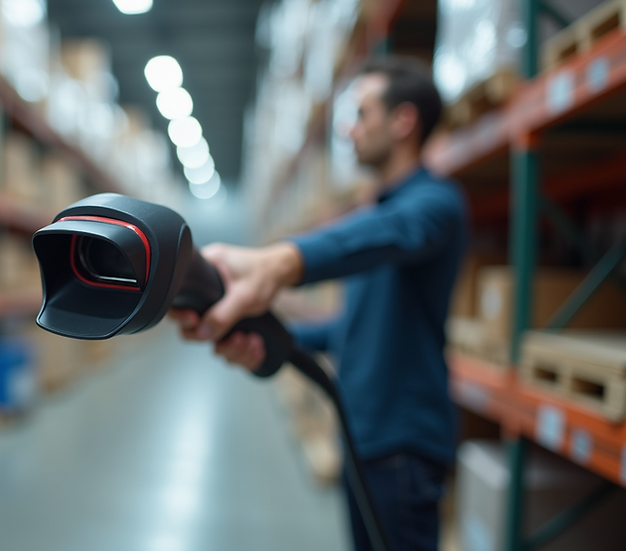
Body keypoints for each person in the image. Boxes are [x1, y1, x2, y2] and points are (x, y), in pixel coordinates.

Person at [170, 56, 467, 551]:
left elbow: (394, 231)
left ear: (404, 121)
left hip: (403, 444)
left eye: (362, 114)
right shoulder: (379, 212)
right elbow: (351, 328)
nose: (348, 130)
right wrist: (261, 330)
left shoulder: (435, 204)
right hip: (360, 433)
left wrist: (279, 263)